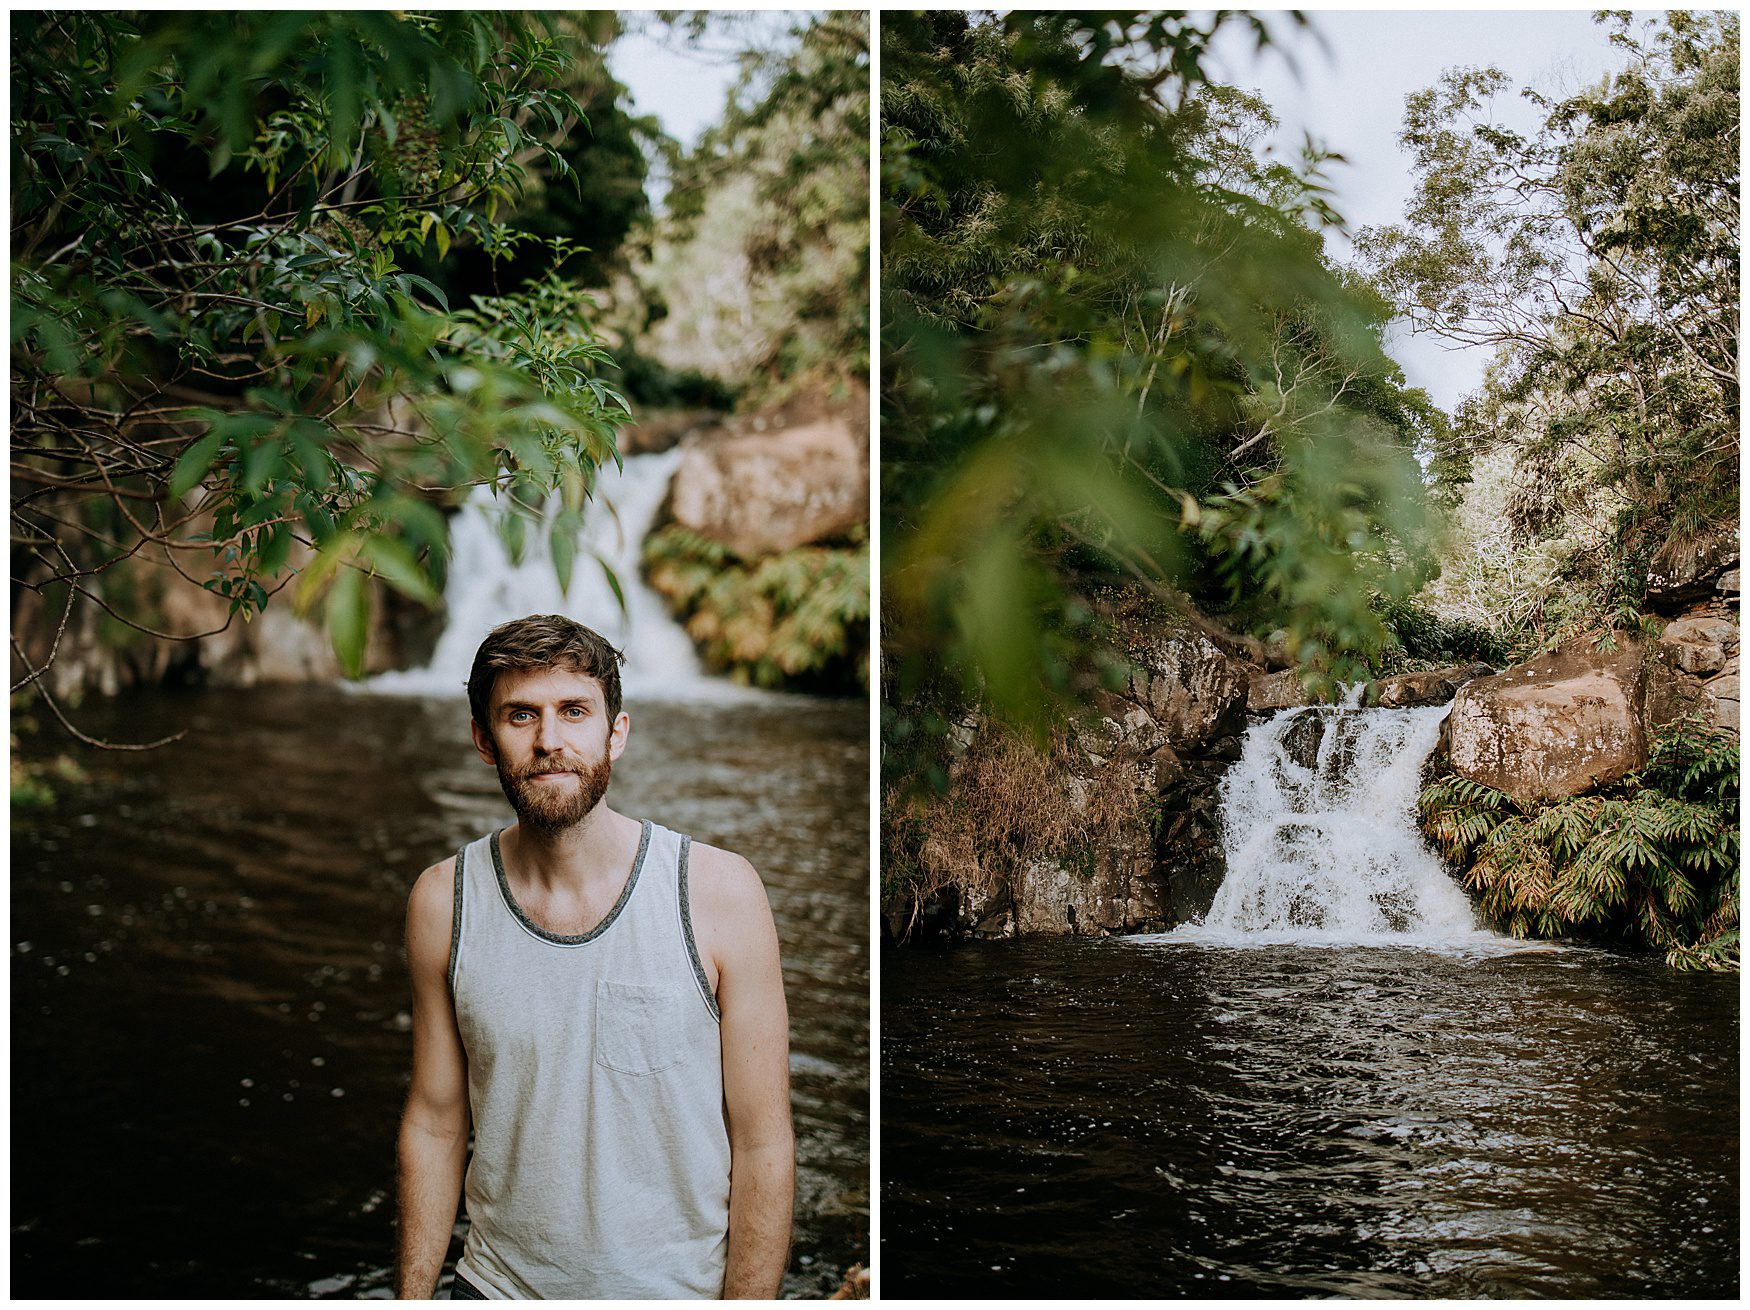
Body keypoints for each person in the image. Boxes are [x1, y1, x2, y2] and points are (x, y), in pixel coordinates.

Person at [395, 614, 794, 1299]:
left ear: (617, 733)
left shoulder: (719, 893)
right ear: (484, 739)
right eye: (521, 715)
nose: (550, 740)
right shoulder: (443, 901)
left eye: (574, 711)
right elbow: (434, 1123)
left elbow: (763, 1144)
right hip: (495, 1288)